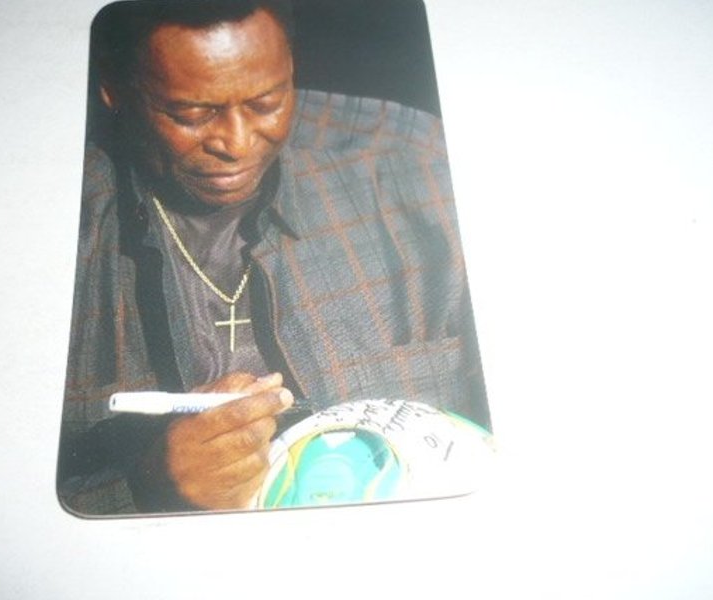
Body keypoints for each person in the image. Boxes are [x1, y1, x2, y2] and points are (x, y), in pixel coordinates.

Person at [58, 0, 490, 516]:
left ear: (290, 67)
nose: (236, 144)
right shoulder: (56, 227)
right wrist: (146, 485)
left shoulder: (415, 165)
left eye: (266, 104)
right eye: (191, 114)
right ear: (114, 90)